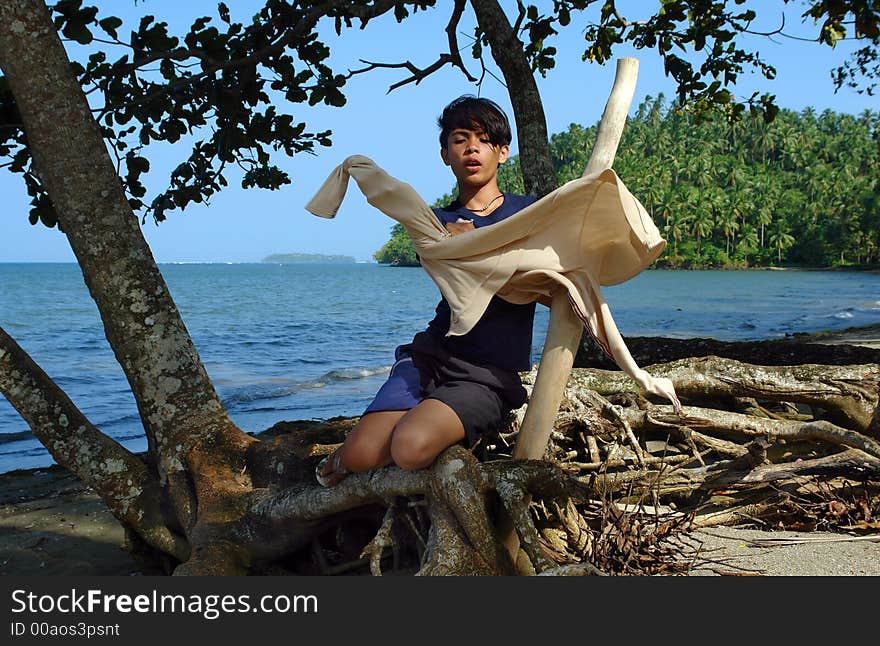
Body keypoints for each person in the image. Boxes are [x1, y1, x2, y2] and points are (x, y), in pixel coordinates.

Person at [317, 95, 537, 486]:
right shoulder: (436, 223)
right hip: (432, 355)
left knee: (409, 447)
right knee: (360, 455)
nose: (472, 148)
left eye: (484, 140)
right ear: (444, 154)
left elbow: (546, 276)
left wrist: (476, 242)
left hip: (488, 373)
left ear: (503, 153)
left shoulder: (529, 214)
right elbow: (445, 263)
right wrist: (455, 244)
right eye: (460, 139)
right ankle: (345, 453)